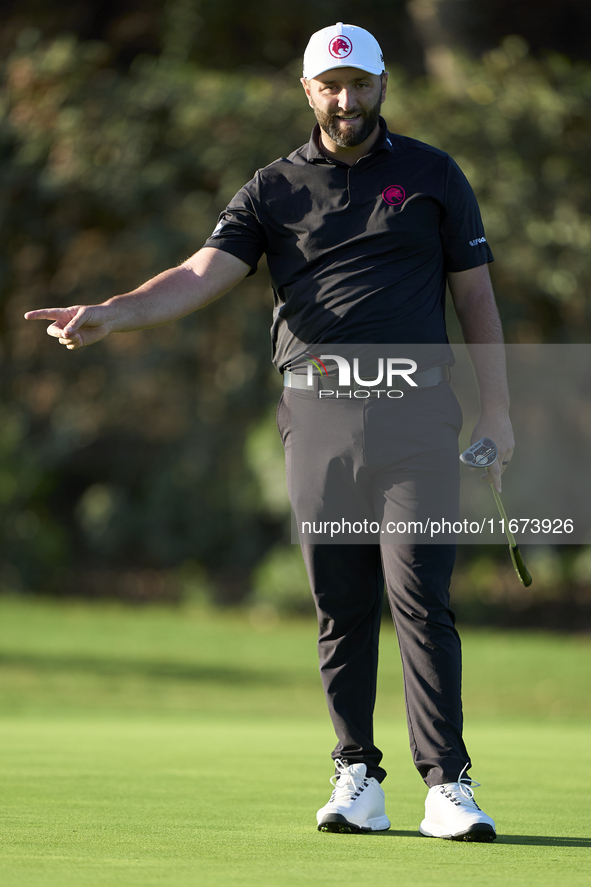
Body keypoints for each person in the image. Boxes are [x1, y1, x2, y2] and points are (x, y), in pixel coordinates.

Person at [25, 22, 514, 842]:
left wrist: (498, 411)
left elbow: (476, 300)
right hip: (317, 419)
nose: (346, 100)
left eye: (359, 85)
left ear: (382, 84)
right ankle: (356, 776)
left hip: (418, 417)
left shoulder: (434, 175)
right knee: (340, 603)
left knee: (420, 598)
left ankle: (447, 785)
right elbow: (194, 274)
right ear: (308, 91)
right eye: (331, 86)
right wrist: (110, 314)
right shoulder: (273, 189)